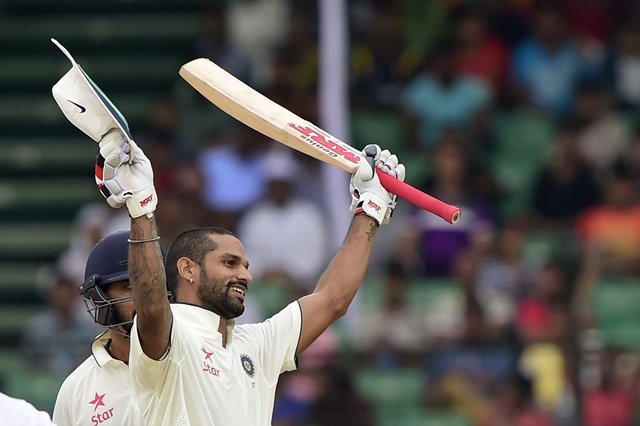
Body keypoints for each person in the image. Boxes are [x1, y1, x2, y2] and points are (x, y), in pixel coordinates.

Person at [94, 129, 405, 425]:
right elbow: (149, 304)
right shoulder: (171, 332)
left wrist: (370, 211)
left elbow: (332, 299)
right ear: (187, 269)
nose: (246, 275)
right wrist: (142, 208)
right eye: (230, 263)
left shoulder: (256, 343)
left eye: (244, 265)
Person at [52, 231, 145, 425]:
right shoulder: (76, 388)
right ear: (99, 300)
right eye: (129, 286)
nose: (147, 298)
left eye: (153, 285)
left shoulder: (194, 362)